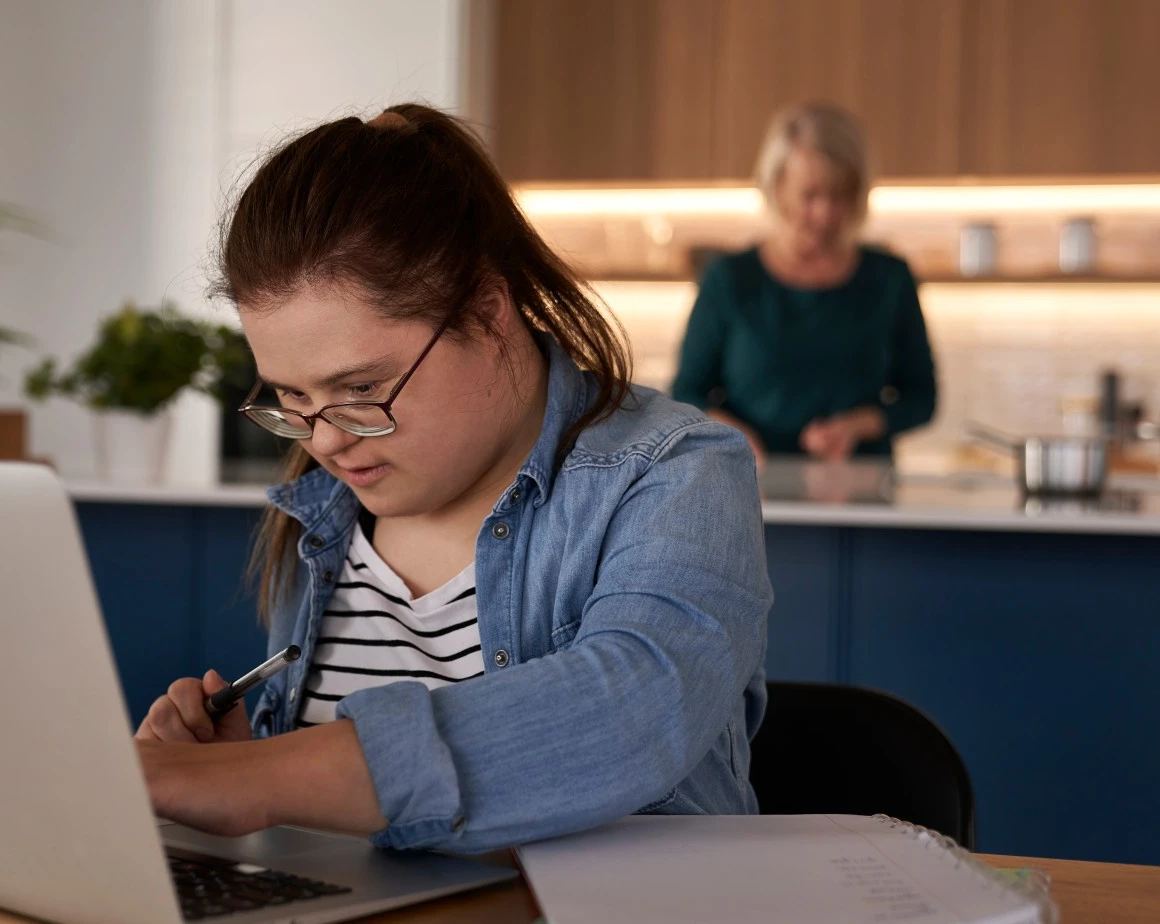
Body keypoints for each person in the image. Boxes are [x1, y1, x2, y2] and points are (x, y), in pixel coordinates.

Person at [134, 105, 772, 854]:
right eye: (292, 398)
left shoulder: (680, 473)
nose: (328, 440)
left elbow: (632, 710)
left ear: (487, 312)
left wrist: (259, 779)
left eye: (364, 389)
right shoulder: (328, 505)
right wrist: (241, 759)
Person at [671, 102, 937, 466]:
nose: (825, 213)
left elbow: (922, 397)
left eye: (840, 196)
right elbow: (686, 393)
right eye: (810, 196)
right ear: (776, 186)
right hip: (750, 488)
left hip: (863, 492)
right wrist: (733, 436)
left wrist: (856, 427)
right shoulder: (730, 280)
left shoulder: (890, 280)